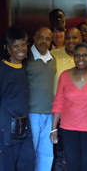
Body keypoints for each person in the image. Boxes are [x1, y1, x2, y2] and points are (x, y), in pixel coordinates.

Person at [50, 43, 87, 171]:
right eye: (77, 56)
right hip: (68, 128)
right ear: (73, 58)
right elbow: (58, 103)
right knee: (72, 165)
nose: (80, 58)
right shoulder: (64, 76)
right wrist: (54, 129)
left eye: (84, 55)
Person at [0, 26, 35, 171]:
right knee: (7, 165)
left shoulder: (25, 67)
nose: (21, 49)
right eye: (15, 46)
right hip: (6, 127)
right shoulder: (2, 69)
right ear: (8, 48)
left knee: (27, 163)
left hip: (24, 126)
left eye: (23, 44)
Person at [50, 27, 82, 171]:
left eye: (74, 38)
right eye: (68, 37)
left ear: (80, 39)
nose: (71, 41)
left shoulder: (85, 58)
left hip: (81, 116)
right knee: (58, 154)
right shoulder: (53, 56)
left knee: (78, 154)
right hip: (58, 114)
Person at [25, 27, 56, 171]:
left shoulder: (53, 59)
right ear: (34, 37)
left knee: (47, 154)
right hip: (31, 113)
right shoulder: (26, 57)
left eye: (48, 39)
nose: (44, 41)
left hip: (49, 114)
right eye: (41, 37)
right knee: (30, 153)